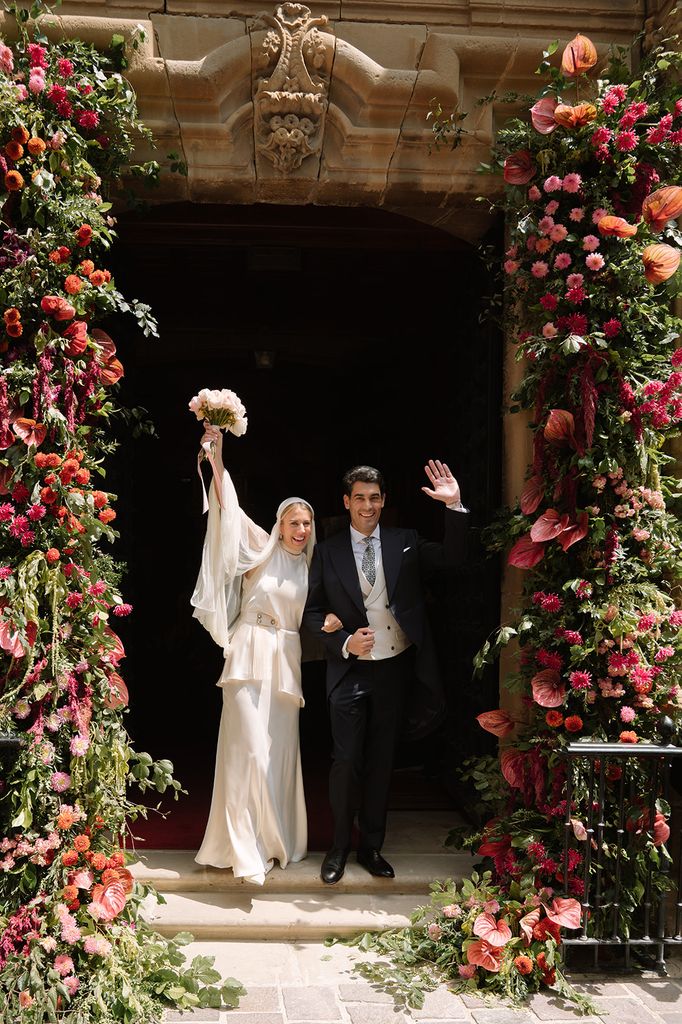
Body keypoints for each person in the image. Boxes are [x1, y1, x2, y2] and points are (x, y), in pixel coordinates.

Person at [303, 460, 468, 884]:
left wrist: (454, 506)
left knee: (381, 761)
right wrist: (341, 643)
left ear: (384, 501)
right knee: (345, 761)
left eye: (374, 498)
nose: (367, 505)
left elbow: (453, 560)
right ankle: (338, 847)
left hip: (394, 668)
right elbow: (310, 613)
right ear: (346, 501)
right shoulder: (327, 550)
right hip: (349, 671)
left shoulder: (405, 541)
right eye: (359, 497)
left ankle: (371, 847)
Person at [191, 423, 318, 885]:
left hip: (285, 663)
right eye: (293, 522)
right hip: (248, 652)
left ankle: (271, 843)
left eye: (307, 523)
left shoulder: (311, 567)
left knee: (278, 754)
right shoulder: (261, 549)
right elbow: (229, 506)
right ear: (280, 525)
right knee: (248, 751)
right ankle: (242, 850)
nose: (300, 530)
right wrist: (218, 458)